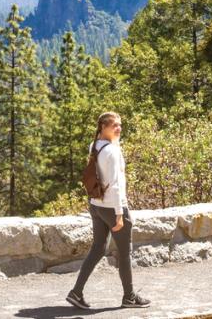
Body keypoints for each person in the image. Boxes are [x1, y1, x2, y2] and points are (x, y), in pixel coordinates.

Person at [66, 112, 150, 310]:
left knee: (98, 249)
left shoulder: (95, 145)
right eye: (114, 126)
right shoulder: (111, 151)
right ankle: (129, 297)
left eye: (120, 125)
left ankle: (76, 292)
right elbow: (115, 185)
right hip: (113, 207)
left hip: (96, 204)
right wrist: (120, 214)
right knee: (125, 252)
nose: (119, 129)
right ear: (104, 127)